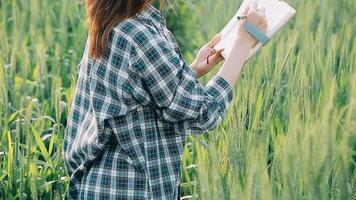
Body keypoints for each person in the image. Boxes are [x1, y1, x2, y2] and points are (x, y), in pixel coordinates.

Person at [62, 0, 267, 199]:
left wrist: (191, 71)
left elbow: (138, 92)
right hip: (132, 189)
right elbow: (204, 113)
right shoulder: (140, 35)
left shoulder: (112, 21)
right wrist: (242, 44)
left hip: (99, 183)